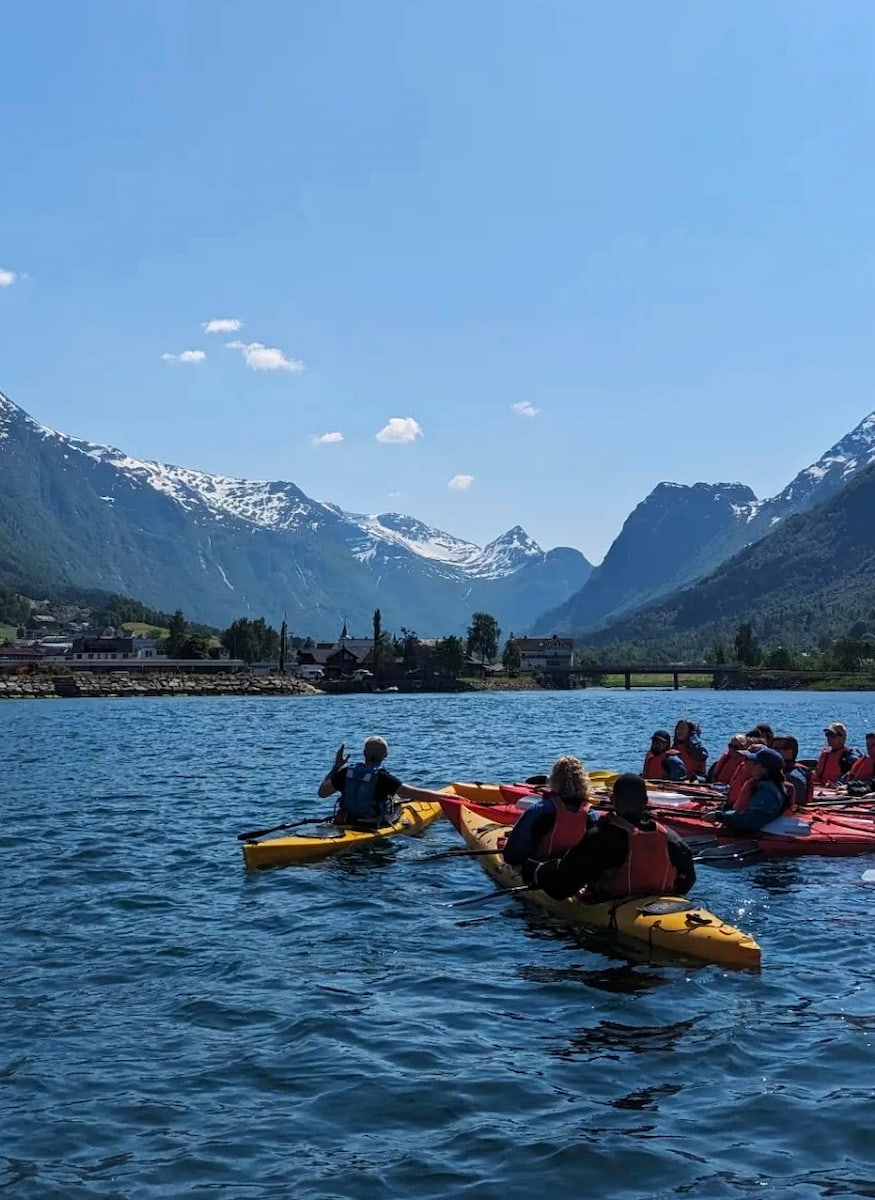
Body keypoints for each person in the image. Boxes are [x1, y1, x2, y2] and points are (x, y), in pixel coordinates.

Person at [520, 774, 696, 902]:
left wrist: (536, 873)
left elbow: (561, 888)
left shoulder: (601, 839)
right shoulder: (671, 837)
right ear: (646, 801)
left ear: (613, 801)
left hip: (615, 908)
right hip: (661, 906)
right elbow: (688, 879)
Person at [317, 738, 446, 825]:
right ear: (385, 756)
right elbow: (416, 794)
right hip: (370, 824)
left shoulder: (346, 772)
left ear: (364, 753)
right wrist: (447, 797)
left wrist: (336, 766)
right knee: (398, 806)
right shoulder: (383, 777)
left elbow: (322, 793)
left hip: (345, 821)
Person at [502, 755, 597, 866]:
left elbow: (511, 856)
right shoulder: (592, 815)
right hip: (573, 872)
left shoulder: (539, 810)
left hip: (538, 870)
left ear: (553, 780)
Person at [714, 747, 789, 833]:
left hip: (752, 835)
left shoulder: (767, 791)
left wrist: (720, 816)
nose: (752, 766)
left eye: (756, 763)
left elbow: (752, 819)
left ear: (765, 769)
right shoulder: (764, 785)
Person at [772, 733, 813, 809]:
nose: (774, 752)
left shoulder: (793, 777)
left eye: (777, 748)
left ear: (790, 751)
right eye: (773, 748)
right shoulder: (777, 770)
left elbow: (798, 802)